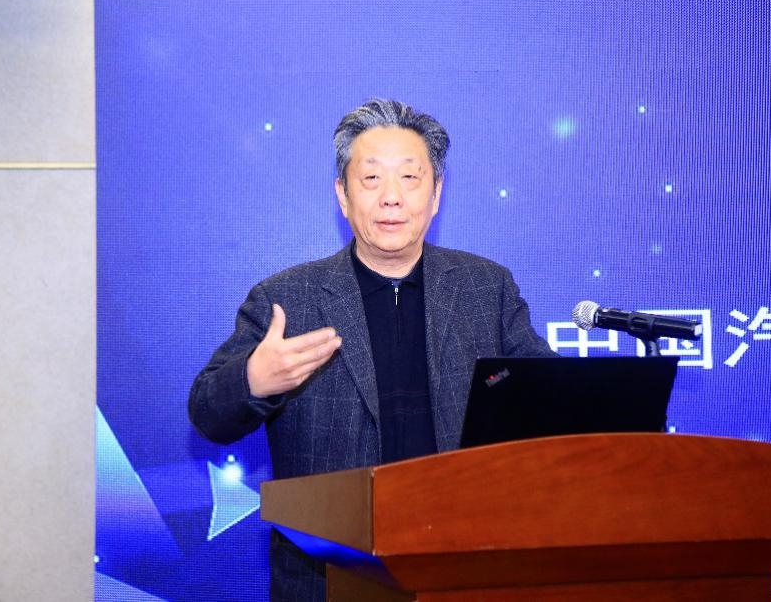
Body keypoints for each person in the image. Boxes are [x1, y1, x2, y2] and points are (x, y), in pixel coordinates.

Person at [189, 98, 557, 601]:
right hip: (328, 577)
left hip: (463, 570)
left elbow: (549, 397)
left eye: (409, 178)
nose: (391, 198)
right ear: (342, 195)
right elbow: (207, 413)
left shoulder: (484, 289)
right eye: (371, 179)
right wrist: (254, 380)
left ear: (436, 193)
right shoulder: (287, 299)